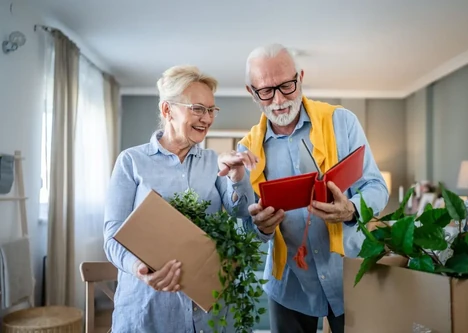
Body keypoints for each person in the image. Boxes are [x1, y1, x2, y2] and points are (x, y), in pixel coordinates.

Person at [238, 43, 389, 333]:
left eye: (287, 86)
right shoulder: (246, 150)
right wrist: (262, 228)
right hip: (289, 284)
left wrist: (352, 209)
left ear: (301, 76)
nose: (279, 100)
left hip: (352, 275)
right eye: (266, 91)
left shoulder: (342, 122)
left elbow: (376, 186)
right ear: (251, 91)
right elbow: (247, 229)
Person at [103, 65, 258, 333]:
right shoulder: (131, 161)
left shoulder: (214, 162)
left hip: (207, 314)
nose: (207, 118)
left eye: (211, 110)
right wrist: (140, 268)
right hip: (147, 310)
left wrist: (237, 176)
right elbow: (113, 234)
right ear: (167, 110)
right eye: (197, 108)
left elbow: (242, 212)